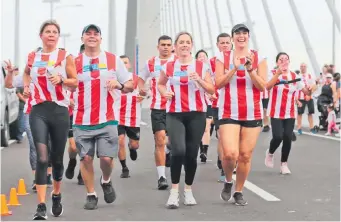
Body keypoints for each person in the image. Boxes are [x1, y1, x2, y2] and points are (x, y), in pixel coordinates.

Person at [73, 24, 133, 210]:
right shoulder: (73, 62)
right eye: (88, 34)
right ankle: (91, 194)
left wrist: (119, 85)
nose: (92, 36)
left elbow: (130, 84)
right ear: (82, 38)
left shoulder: (113, 60)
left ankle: (106, 180)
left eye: (95, 34)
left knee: (106, 159)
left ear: (101, 38)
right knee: (86, 159)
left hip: (107, 118)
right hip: (82, 120)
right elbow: (63, 83)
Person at [22, 20, 78, 220]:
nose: (52, 34)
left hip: (60, 110)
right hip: (39, 110)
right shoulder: (32, 56)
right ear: (41, 35)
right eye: (48, 31)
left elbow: (75, 82)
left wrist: (62, 80)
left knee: (56, 158)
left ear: (58, 36)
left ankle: (56, 195)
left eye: (55, 32)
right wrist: (27, 86)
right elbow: (27, 73)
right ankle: (40, 206)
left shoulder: (65, 56)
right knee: (42, 158)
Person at [158, 31, 215, 208]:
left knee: (191, 154)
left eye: (187, 42)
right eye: (181, 42)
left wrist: (199, 79)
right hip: (175, 113)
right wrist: (164, 92)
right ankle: (174, 191)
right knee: (179, 150)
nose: (184, 45)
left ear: (192, 46)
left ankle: (188, 190)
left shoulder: (201, 66)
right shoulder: (168, 66)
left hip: (197, 114)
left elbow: (211, 90)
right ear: (175, 46)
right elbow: (160, 84)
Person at [215, 24, 267, 205]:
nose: (241, 36)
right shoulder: (222, 57)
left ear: (249, 36)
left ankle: (238, 191)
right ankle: (228, 180)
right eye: (237, 33)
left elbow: (263, 87)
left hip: (252, 112)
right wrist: (234, 69)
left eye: (244, 33)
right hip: (229, 111)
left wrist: (250, 70)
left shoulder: (259, 57)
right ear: (232, 37)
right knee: (230, 154)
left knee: (245, 155)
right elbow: (218, 84)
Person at [138, 35, 175, 190]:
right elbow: (140, 78)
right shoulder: (151, 63)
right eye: (163, 45)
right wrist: (142, 88)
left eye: (168, 45)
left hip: (176, 108)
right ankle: (161, 177)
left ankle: (168, 150)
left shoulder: (178, 61)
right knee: (160, 140)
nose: (165, 47)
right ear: (158, 46)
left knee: (172, 142)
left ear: (172, 47)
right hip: (158, 107)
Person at [265, 52, 310, 174]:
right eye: (281, 59)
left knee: (288, 137)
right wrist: (278, 73)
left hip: (290, 112)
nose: (284, 61)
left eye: (286, 59)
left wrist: (309, 90)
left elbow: (305, 91)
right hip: (276, 111)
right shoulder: (272, 73)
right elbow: (267, 87)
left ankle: (284, 164)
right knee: (278, 136)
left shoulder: (294, 75)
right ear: (277, 62)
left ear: (289, 61)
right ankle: (270, 152)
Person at [209, 33, 233, 182]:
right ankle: (223, 167)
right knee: (222, 136)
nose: (225, 45)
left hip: (235, 104)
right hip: (218, 103)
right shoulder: (212, 62)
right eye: (222, 43)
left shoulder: (237, 60)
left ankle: (229, 162)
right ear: (217, 45)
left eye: (227, 42)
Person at [116, 55, 143, 178]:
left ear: (129, 65)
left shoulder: (136, 79)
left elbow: (146, 92)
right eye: (121, 63)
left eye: (126, 62)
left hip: (133, 116)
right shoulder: (113, 78)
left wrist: (143, 96)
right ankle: (124, 168)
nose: (124, 65)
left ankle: (132, 149)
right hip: (117, 116)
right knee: (119, 140)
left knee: (134, 144)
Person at [64, 44, 85, 186]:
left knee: (85, 146)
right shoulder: (71, 67)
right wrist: (68, 99)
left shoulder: (99, 69)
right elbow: (61, 86)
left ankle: (82, 173)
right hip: (71, 113)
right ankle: (72, 161)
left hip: (88, 113)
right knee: (73, 146)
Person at [195, 49, 212, 163]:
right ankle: (202, 150)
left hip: (212, 102)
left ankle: (204, 150)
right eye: (200, 56)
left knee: (208, 128)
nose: (202, 58)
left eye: (204, 56)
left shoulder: (213, 70)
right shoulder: (195, 71)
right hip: (200, 103)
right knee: (203, 128)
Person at [296, 63, 317, 134]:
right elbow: (296, 87)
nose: (303, 68)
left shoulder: (310, 76)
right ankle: (299, 128)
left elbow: (314, 86)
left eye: (304, 66)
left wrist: (309, 94)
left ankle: (311, 128)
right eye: (301, 66)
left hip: (309, 97)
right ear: (300, 67)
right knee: (299, 113)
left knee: (310, 113)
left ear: (306, 67)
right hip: (300, 97)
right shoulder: (297, 76)